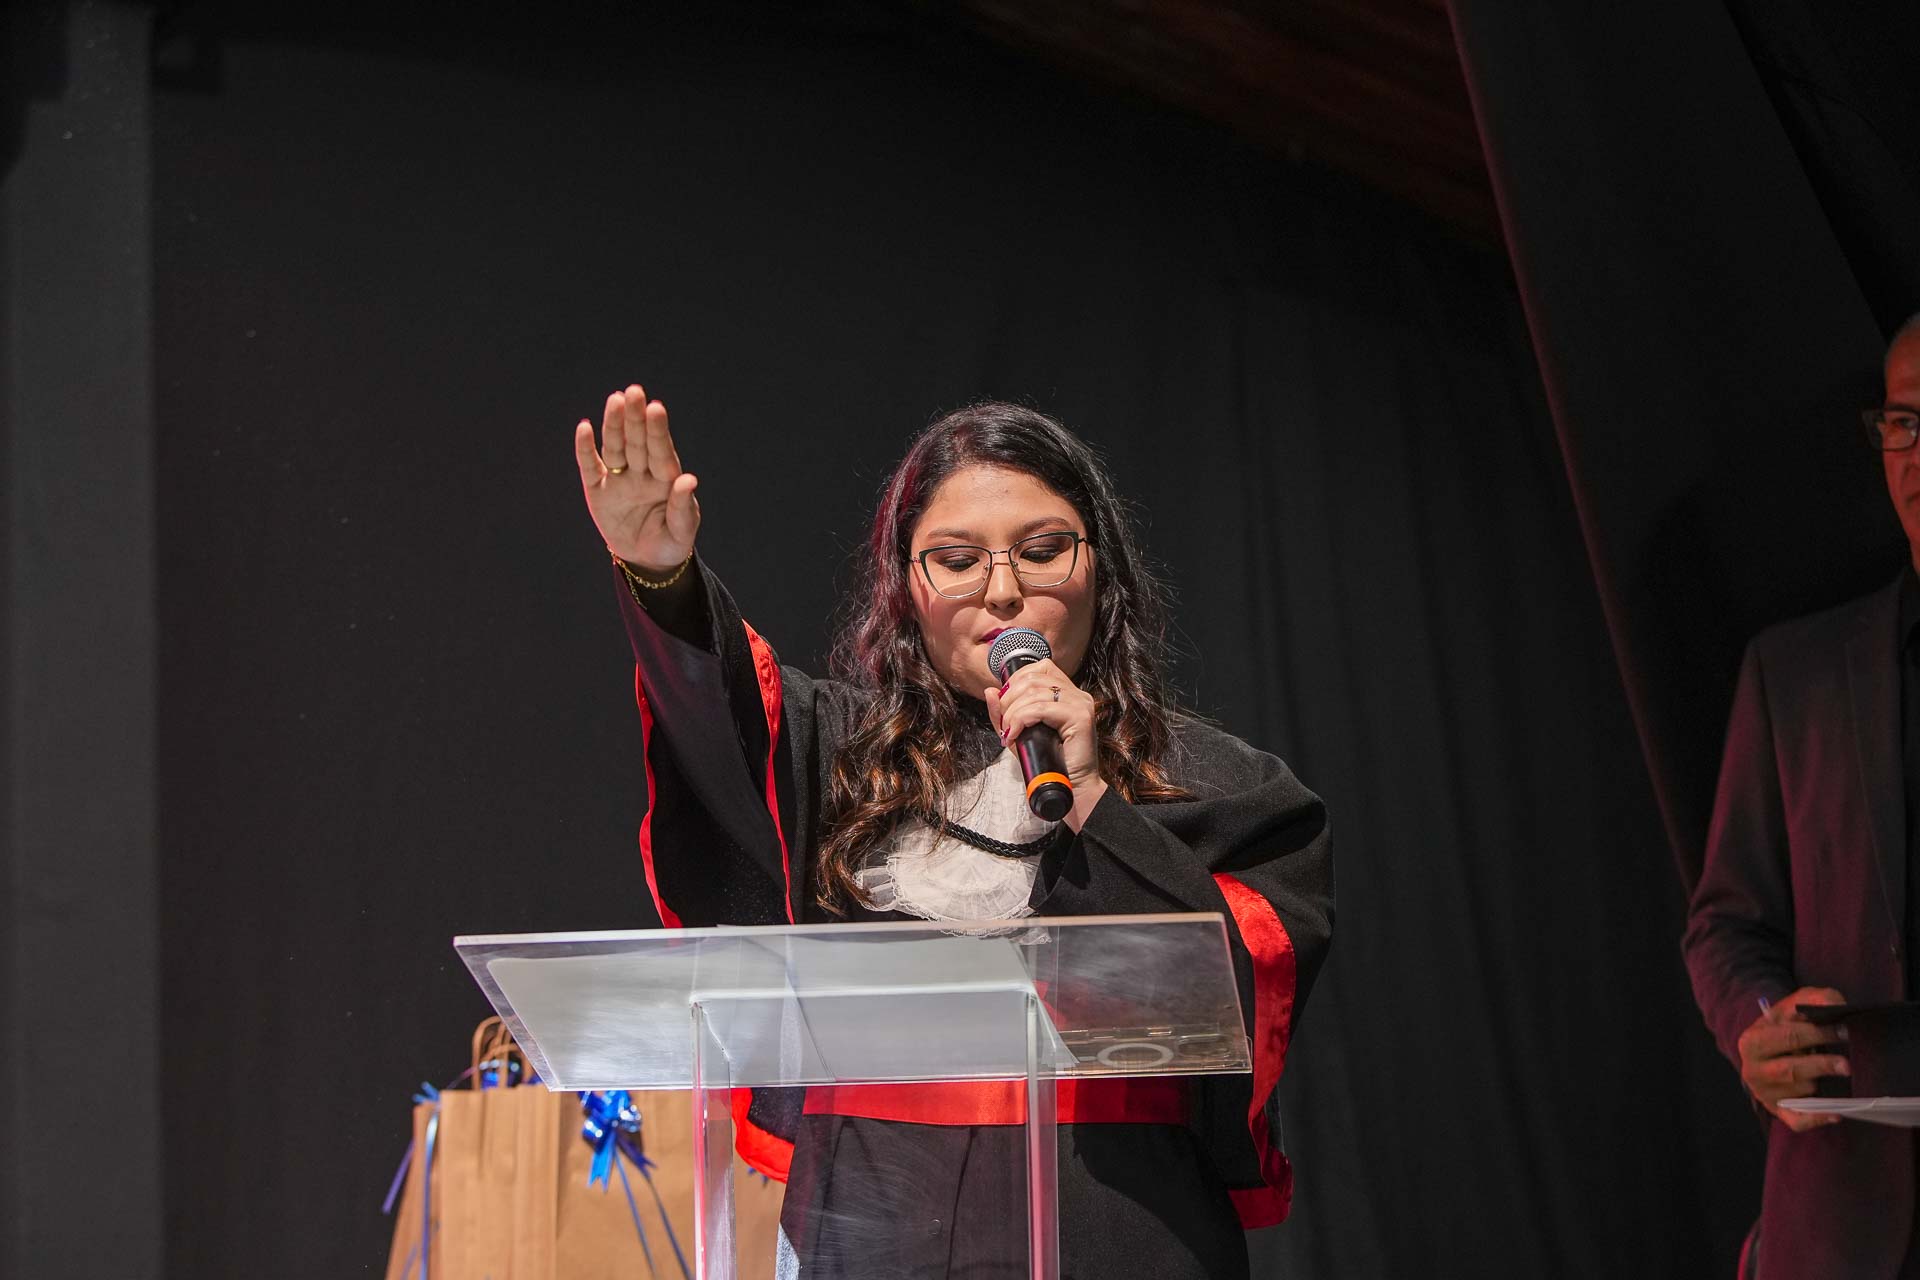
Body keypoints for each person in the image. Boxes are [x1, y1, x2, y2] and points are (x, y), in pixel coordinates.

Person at [572, 385, 1334, 1278]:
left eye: (1042, 551)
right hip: (866, 1224)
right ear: (908, 586)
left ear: (1104, 568)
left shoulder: (1227, 788)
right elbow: (719, 724)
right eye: (957, 559)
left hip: (1116, 1229)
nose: (1003, 591)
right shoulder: (841, 757)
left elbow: (1238, 1003)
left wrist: (1092, 798)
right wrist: (661, 577)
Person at [1684, 314, 1920, 1279]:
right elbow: (1725, 925)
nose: (1917, 454)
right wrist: (1759, 1023)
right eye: (1903, 422)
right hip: (1841, 1224)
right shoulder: (1796, 673)